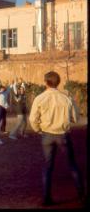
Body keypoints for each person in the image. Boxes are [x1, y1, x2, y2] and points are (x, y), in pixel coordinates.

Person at [29, 71, 85, 206]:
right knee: (72, 165)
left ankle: (46, 198)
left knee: (48, 167)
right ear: (57, 83)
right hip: (63, 135)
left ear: (46, 82)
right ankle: (82, 196)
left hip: (47, 135)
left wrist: (38, 129)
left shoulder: (40, 98)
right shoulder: (66, 98)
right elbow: (76, 118)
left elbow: (32, 119)